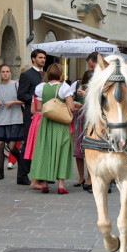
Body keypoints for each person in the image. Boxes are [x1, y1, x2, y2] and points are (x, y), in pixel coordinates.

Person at [29, 63, 80, 194]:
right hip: (61, 124)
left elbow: (39, 108)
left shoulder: (41, 87)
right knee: (62, 151)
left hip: (46, 123)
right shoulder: (64, 88)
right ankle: (61, 185)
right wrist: (75, 104)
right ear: (60, 74)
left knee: (46, 151)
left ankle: (45, 183)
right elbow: (71, 107)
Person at [16, 49, 46, 185]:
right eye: (40, 58)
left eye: (44, 58)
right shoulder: (27, 75)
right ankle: (22, 175)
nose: (43, 60)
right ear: (33, 59)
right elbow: (21, 94)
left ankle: (39, 174)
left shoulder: (45, 75)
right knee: (28, 142)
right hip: (31, 113)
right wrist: (36, 99)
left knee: (41, 144)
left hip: (43, 114)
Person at [0, 64, 23, 180]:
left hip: (14, 119)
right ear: (0, 73)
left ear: (10, 73)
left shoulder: (16, 85)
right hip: (1, 120)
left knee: (12, 147)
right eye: (3, 72)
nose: (5, 73)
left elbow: (23, 100)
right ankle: (0, 172)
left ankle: (21, 162)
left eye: (7, 71)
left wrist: (12, 103)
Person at [7, 64, 31, 170]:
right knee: (17, 138)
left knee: (22, 139)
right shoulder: (16, 84)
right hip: (19, 112)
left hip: (24, 112)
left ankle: (15, 161)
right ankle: (13, 160)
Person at [72, 70, 93, 189]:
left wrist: (84, 94)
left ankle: (90, 178)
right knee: (78, 150)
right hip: (79, 118)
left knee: (89, 149)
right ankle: (81, 177)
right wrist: (75, 101)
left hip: (91, 119)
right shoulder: (77, 85)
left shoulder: (97, 87)